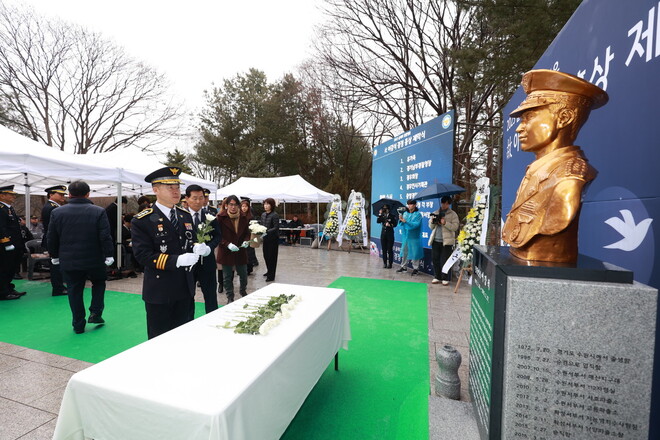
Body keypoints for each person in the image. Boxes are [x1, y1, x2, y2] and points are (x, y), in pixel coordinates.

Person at [502, 69, 608, 263]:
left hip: (549, 262)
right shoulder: (537, 170)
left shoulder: (569, 176)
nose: (519, 127)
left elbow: (556, 221)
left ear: (564, 118)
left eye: (529, 117)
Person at [131, 166, 201, 339]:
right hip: (160, 290)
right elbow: (143, 255)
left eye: (177, 187)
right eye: (169, 187)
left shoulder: (184, 215)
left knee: (183, 336)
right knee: (159, 339)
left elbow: (187, 242)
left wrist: (197, 247)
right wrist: (176, 260)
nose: (176, 191)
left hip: (185, 288)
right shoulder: (143, 220)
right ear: (155, 190)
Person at [47, 180, 115, 333]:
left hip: (69, 259)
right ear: (88, 194)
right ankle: (96, 312)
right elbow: (105, 236)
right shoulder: (98, 211)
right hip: (94, 258)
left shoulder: (57, 212)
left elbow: (52, 237)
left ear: (69, 194)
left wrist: (54, 255)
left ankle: (78, 323)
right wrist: (109, 254)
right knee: (98, 283)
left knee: (74, 289)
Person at [185, 184, 221, 314]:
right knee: (188, 297)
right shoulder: (180, 216)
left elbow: (217, 236)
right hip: (188, 264)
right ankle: (188, 322)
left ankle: (212, 319)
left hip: (207, 263)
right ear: (187, 199)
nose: (198, 201)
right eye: (194, 198)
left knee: (211, 296)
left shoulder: (210, 216)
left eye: (201, 198)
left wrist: (209, 248)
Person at [216, 195, 249, 303]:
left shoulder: (244, 217)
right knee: (227, 277)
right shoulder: (220, 217)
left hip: (240, 250)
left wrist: (247, 240)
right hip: (226, 251)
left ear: (238, 206)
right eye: (231, 204)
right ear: (226, 205)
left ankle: (243, 291)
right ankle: (230, 297)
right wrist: (227, 244)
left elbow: (247, 233)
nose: (233, 207)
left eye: (235, 205)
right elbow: (217, 235)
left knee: (243, 274)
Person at [41, 185, 68, 296]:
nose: (62, 196)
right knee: (56, 264)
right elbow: (54, 228)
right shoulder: (51, 207)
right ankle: (58, 288)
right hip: (55, 240)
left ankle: (60, 286)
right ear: (51, 195)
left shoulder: (55, 206)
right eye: (60, 194)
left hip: (56, 240)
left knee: (58, 264)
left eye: (63, 194)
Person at [0, 186, 25, 300]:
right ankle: (3, 292)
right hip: (6, 245)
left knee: (12, 268)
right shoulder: (1, 208)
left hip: (15, 244)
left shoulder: (9, 208)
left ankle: (9, 288)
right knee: (5, 268)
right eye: (10, 194)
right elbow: (1, 227)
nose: (13, 196)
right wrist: (6, 242)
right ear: (2, 195)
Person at [428, 196, 460, 285]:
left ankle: (445, 278)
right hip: (435, 240)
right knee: (435, 259)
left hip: (447, 242)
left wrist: (445, 223)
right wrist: (432, 221)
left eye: (446, 203)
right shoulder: (435, 212)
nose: (443, 205)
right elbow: (431, 227)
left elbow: (455, 227)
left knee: (445, 260)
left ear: (449, 204)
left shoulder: (453, 214)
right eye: (442, 203)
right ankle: (437, 277)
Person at [396, 199, 423, 275]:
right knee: (405, 251)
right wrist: (400, 220)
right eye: (408, 204)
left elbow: (416, 225)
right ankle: (403, 267)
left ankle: (415, 268)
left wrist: (406, 221)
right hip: (406, 236)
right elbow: (401, 224)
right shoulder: (405, 214)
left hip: (414, 236)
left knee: (415, 252)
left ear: (415, 205)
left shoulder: (418, 214)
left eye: (411, 204)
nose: (409, 206)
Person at [260, 197, 279, 282]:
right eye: (265, 204)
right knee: (266, 256)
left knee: (272, 257)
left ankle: (271, 276)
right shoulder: (263, 215)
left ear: (272, 205)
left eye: (268, 204)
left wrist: (266, 231)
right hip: (265, 239)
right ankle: (269, 271)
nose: (266, 206)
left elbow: (276, 227)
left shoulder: (275, 215)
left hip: (273, 240)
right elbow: (261, 225)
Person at [240, 198, 259, 274]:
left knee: (249, 254)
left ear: (248, 208)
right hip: (241, 237)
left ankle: (249, 269)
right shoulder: (239, 216)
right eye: (242, 206)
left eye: (245, 206)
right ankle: (242, 269)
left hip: (249, 237)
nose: (244, 208)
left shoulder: (251, 217)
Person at [376, 204, 398, 268]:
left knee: (389, 249)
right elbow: (378, 221)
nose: (384, 210)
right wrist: (380, 214)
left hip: (390, 234)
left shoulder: (392, 216)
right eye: (383, 208)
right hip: (383, 234)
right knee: (384, 249)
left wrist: (390, 225)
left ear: (388, 209)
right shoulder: (382, 215)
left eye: (386, 209)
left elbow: (395, 224)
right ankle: (385, 263)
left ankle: (390, 263)